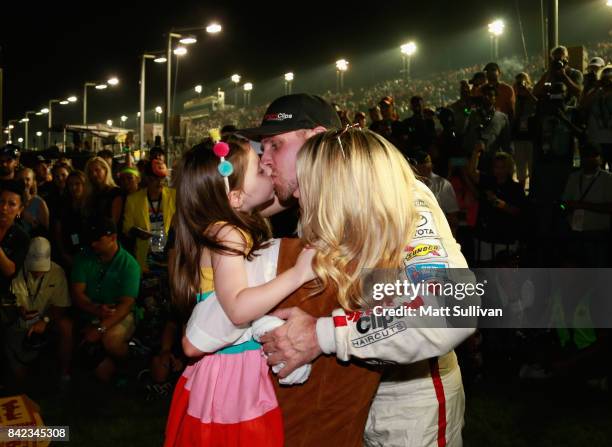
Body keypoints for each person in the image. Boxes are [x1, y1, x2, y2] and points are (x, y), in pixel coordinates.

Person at [212, 94, 474, 446]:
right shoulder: (311, 200)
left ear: (317, 138)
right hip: (341, 397)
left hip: (406, 399)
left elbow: (449, 310)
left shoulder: (399, 195)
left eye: (275, 144)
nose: (265, 158)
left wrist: (322, 334)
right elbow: (225, 208)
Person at [164, 139, 315, 446]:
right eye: (260, 170)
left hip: (228, 368)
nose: (268, 168)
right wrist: (299, 273)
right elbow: (236, 308)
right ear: (234, 197)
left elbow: (284, 197)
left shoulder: (226, 224)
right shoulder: (229, 233)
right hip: (228, 379)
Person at [71, 218, 141, 382]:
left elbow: (126, 305)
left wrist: (100, 328)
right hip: (90, 311)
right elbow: (77, 294)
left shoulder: (130, 265)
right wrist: (96, 310)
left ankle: (130, 361)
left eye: (98, 239)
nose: (93, 243)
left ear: (113, 238)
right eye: (91, 239)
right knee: (102, 371)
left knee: (111, 339)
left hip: (119, 313)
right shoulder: (83, 257)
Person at [8, 237, 72, 384]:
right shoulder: (15, 269)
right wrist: (19, 310)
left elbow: (61, 306)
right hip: (19, 323)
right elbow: (9, 300)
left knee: (66, 326)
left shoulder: (57, 272)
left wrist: (45, 320)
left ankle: (65, 374)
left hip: (46, 321)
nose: (38, 272)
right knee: (20, 376)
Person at [468, 146, 526, 262]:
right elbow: (472, 173)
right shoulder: (488, 181)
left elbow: (518, 211)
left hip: (505, 237)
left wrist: (497, 202)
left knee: (504, 272)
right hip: (485, 236)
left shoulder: (515, 188)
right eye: (496, 167)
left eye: (502, 167)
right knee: (485, 271)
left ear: (508, 168)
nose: (499, 171)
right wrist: (476, 153)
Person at [561, 144, 612, 267]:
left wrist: (580, 205)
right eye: (586, 156)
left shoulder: (607, 178)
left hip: (598, 234)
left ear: (599, 158)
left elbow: (609, 208)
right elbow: (563, 204)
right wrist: (566, 207)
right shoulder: (574, 177)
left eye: (592, 156)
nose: (589, 159)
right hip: (576, 232)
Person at [122, 160, 175, 271]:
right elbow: (127, 228)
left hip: (169, 257)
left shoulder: (174, 196)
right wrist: (139, 232)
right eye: (154, 179)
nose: (159, 182)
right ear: (146, 179)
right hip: (145, 258)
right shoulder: (132, 200)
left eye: (162, 178)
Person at [463, 84, 512, 173]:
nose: (486, 97)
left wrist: (508, 163)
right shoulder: (472, 114)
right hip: (474, 160)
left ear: (495, 98)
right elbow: (465, 136)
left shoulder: (502, 117)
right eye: (484, 94)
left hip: (494, 162)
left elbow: (506, 143)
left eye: (490, 95)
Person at [414, 151, 460, 233]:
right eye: (420, 165)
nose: (423, 168)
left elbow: (453, 215)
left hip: (437, 235)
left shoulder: (443, 184)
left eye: (426, 164)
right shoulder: (405, 184)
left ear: (431, 165)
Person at [53, 171, 90, 271]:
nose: (73, 188)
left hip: (90, 254)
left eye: (77, 184)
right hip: (69, 252)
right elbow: (58, 232)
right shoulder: (63, 205)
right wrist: (64, 254)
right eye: (70, 184)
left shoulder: (91, 205)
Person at [0, 180, 30, 298]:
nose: (4, 208)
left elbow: (10, 270)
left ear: (19, 210)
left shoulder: (21, 237)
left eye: (11, 204)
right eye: (1, 201)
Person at [580, 66, 612, 171]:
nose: (608, 81)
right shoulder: (596, 93)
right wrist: (596, 87)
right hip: (597, 139)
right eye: (605, 78)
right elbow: (583, 104)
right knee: (598, 172)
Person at [513, 72, 538, 188]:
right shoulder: (515, 96)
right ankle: (521, 191)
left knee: (533, 167)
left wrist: (528, 93)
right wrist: (519, 97)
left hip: (532, 136)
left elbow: (539, 105)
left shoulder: (533, 93)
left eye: (523, 82)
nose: (521, 85)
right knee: (520, 168)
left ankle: (533, 192)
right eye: (518, 83)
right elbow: (515, 115)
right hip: (519, 137)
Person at [17, 168, 50, 237]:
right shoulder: (10, 199)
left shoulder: (39, 202)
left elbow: (45, 230)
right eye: (21, 179)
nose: (24, 182)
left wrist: (34, 221)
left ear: (32, 182)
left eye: (27, 179)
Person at [111, 166, 141, 239]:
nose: (126, 182)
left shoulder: (145, 196)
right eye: (123, 179)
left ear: (138, 179)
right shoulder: (119, 199)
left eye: (130, 178)